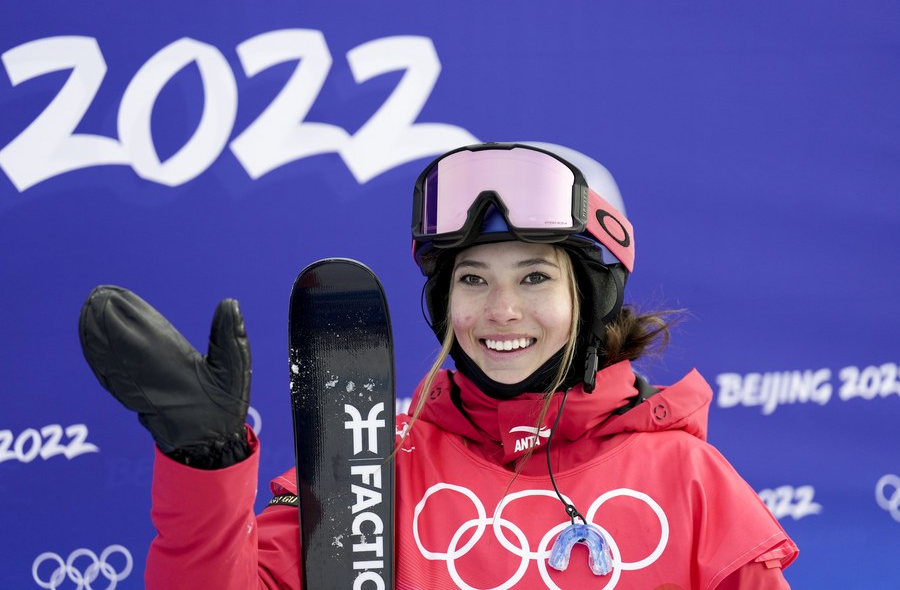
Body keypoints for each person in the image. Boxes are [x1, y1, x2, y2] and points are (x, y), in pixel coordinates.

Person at [79, 142, 798, 589]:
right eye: (473, 280)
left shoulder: (689, 481)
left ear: (595, 297)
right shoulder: (369, 464)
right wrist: (206, 466)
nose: (501, 310)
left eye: (535, 278)